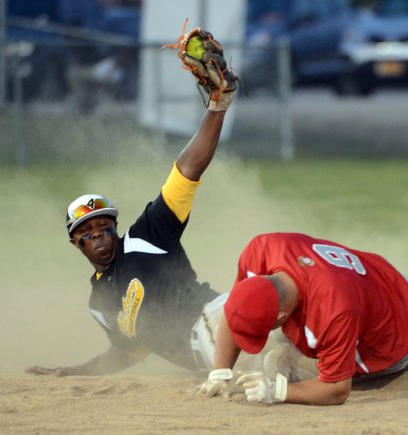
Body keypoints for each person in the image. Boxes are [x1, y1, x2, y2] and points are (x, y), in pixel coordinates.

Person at [24, 29, 269, 377]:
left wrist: (218, 106)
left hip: (220, 317)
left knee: (289, 349)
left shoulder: (148, 236)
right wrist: (71, 371)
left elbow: (186, 172)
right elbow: (131, 351)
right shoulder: (100, 304)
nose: (97, 235)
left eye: (102, 226)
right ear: (75, 243)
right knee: (279, 366)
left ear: (114, 227)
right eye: (86, 232)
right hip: (210, 357)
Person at [198, 232, 408, 406]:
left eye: (270, 324)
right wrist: (220, 369)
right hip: (381, 283)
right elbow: (237, 310)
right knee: (289, 345)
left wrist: (279, 391)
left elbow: (336, 390)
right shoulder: (262, 250)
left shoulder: (334, 310)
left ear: (282, 314)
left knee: (285, 363)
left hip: (395, 323)